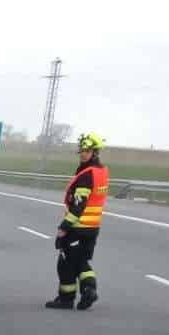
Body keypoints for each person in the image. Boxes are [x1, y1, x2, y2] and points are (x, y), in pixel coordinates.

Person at [47, 132, 110, 310]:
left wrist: (64, 227)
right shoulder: (101, 172)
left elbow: (78, 205)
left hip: (78, 226)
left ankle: (66, 299)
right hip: (93, 227)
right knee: (80, 261)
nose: (82, 154)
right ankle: (89, 290)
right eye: (81, 150)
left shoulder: (86, 175)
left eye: (87, 151)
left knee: (66, 263)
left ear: (95, 152)